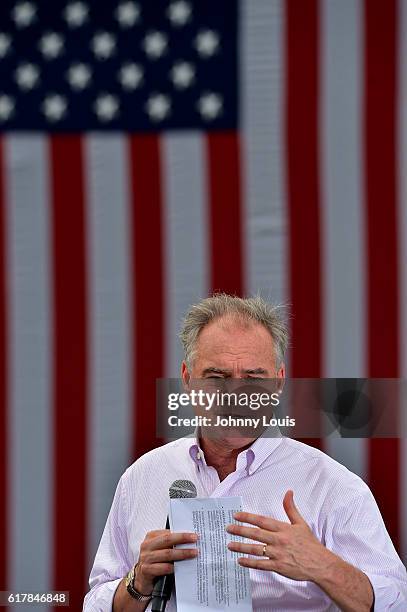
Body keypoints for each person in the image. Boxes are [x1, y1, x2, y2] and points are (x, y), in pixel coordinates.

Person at [83, 294, 407, 611]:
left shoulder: (333, 485)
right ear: (186, 380)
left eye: (253, 377)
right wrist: (138, 581)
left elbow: (397, 601)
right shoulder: (143, 476)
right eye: (216, 376)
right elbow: (97, 601)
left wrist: (322, 566)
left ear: (278, 383)